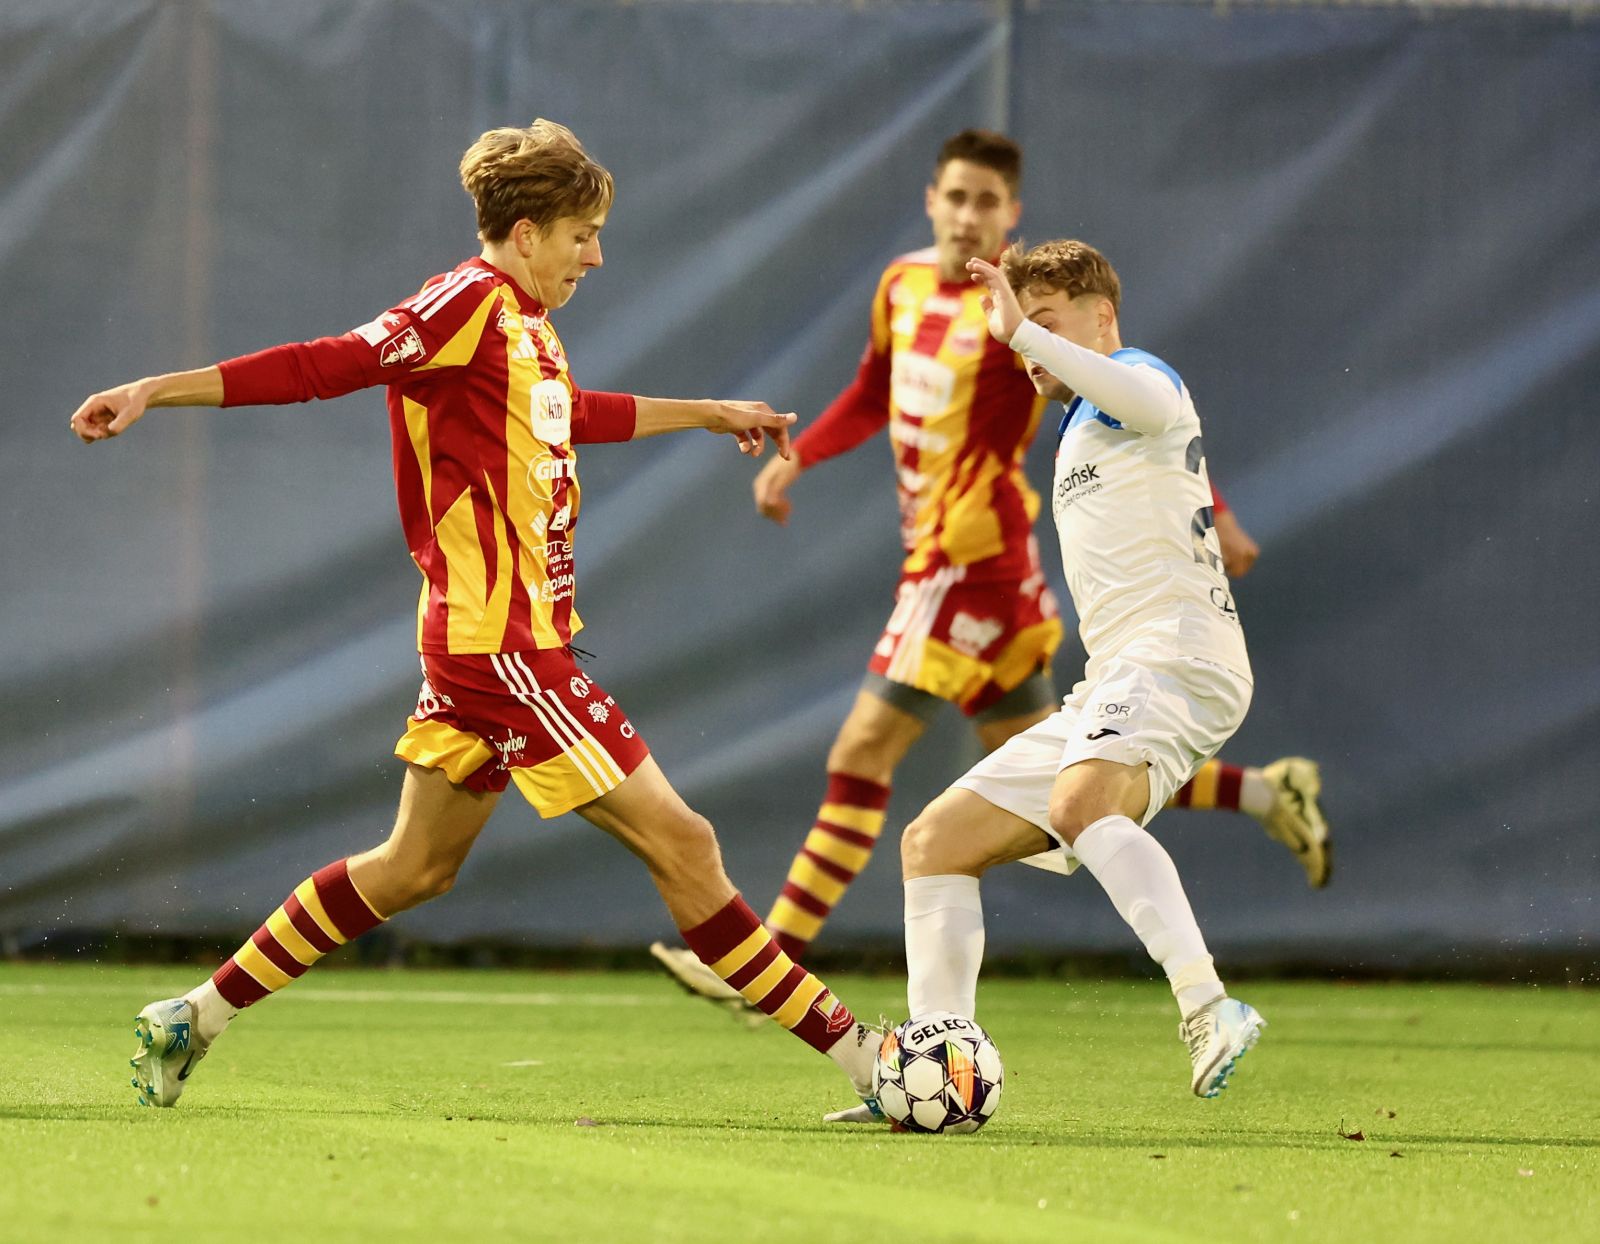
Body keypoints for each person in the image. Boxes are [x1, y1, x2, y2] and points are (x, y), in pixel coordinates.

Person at [73, 119, 881, 1113]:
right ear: (529, 231)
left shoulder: (527, 325)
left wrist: (709, 412)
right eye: (584, 234)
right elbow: (327, 363)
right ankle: (872, 1063)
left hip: (497, 648)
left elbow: (570, 413)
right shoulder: (463, 301)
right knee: (687, 842)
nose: (597, 254)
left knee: (414, 867)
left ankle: (190, 1015)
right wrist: (159, 387)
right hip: (502, 649)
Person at [651, 130, 1327, 1005]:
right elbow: (870, 390)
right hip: (959, 567)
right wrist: (800, 455)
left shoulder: (1018, 314)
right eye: (957, 197)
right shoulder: (900, 286)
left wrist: (1216, 510)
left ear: (1012, 216)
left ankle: (762, 964)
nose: (970, 217)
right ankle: (1266, 793)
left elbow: (1136, 407)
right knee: (1070, 765)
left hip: (968, 561)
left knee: (865, 747)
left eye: (988, 203)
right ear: (932, 198)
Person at [830, 237, 1266, 1121]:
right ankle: (935, 1073)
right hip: (1122, 673)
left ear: (1101, 318)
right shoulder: (1079, 424)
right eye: (1021, 324)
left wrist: (1022, 332)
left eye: (1049, 319)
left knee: (1080, 807)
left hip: (1178, 656)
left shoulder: (1144, 379)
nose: (1025, 341)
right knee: (935, 842)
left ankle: (1207, 1003)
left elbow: (1138, 392)